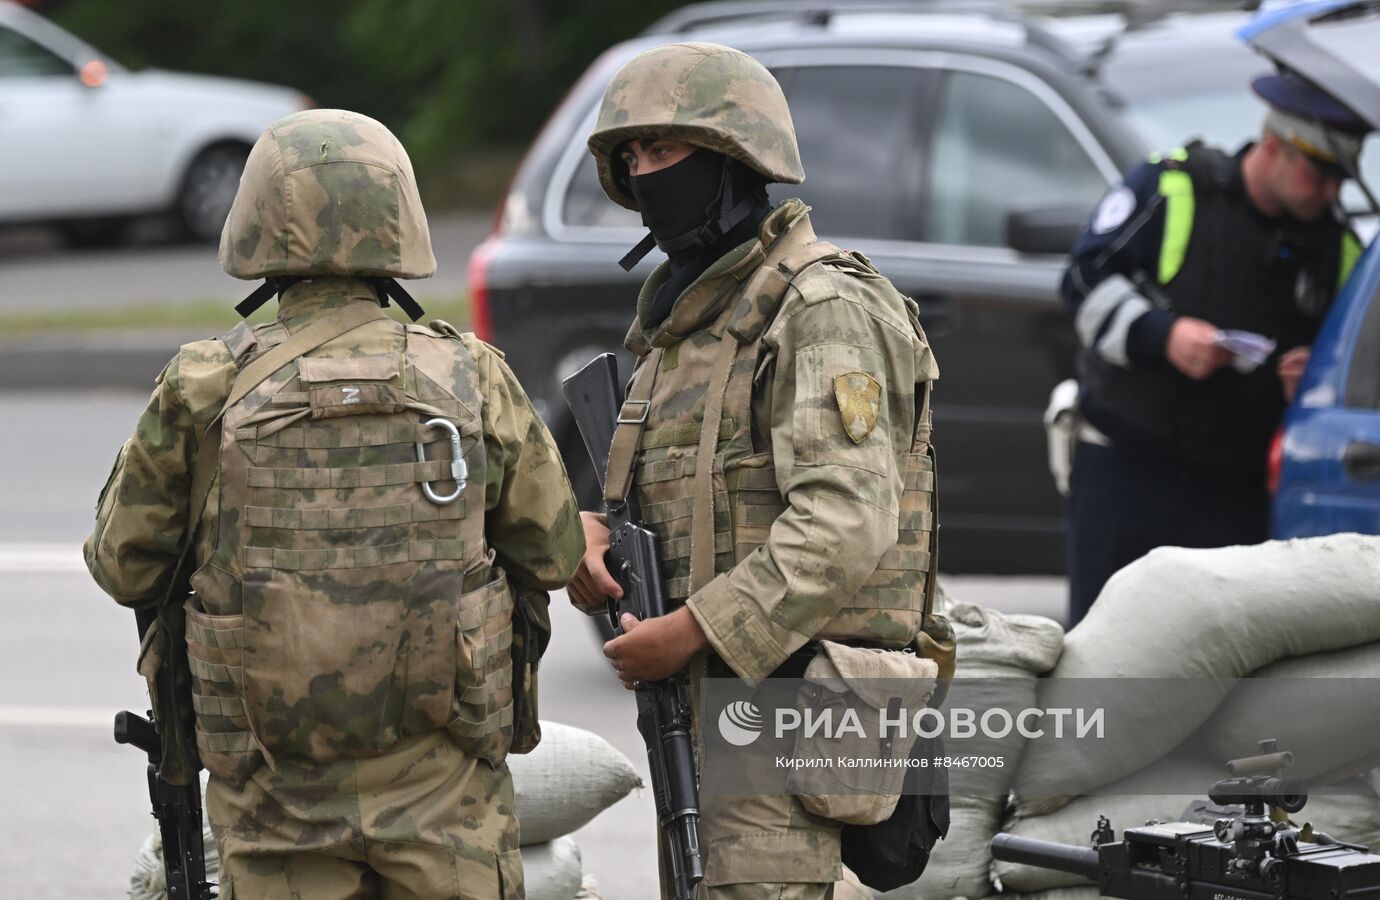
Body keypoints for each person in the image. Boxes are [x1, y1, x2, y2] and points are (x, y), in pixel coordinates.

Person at [83, 109, 584, 899]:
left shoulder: (203, 385)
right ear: (400, 223)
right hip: (445, 798)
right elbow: (555, 555)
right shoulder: (470, 377)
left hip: (274, 803)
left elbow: (124, 566)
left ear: (253, 227)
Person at [565, 42, 941, 897]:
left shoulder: (820, 307)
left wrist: (693, 630)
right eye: (631, 158)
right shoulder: (689, 320)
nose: (645, 172)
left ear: (737, 160)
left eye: (664, 151)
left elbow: (843, 523)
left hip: (791, 711)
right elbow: (678, 499)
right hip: (703, 712)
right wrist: (591, 535)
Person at [1062, 72, 1370, 625]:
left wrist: (1316, 382)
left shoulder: (1338, 248)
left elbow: (1357, 366)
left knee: (1216, 687)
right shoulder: (1175, 187)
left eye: (1340, 179)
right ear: (1273, 145)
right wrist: (1164, 335)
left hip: (1235, 493)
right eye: (1318, 172)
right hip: (1128, 472)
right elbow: (1082, 283)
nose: (1330, 192)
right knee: (1099, 665)